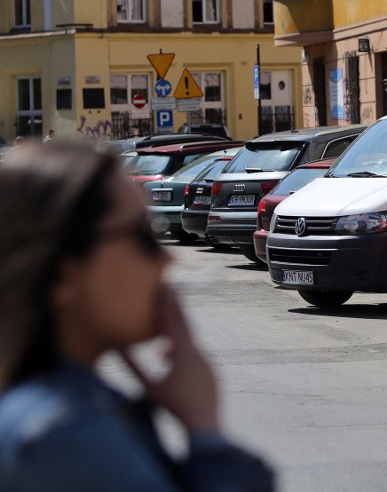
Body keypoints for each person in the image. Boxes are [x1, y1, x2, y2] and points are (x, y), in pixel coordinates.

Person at [0, 143, 274, 491]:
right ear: (62, 274)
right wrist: (204, 431)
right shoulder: (64, 435)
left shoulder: (70, 406)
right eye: (142, 237)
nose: (166, 260)